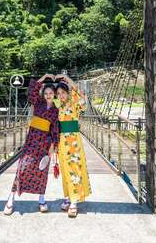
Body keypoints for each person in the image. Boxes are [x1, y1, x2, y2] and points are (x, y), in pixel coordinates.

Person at [4, 74, 59, 215]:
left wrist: (53, 146)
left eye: (51, 93)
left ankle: (41, 199)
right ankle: (11, 197)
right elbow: (33, 88)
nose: (48, 95)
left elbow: (55, 129)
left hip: (44, 143)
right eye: (46, 93)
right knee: (22, 167)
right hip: (32, 140)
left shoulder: (55, 110)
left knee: (42, 171)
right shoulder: (38, 103)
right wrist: (45, 77)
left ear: (54, 95)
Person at [55, 74, 91, 218]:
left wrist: (66, 78)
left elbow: (80, 96)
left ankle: (75, 201)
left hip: (73, 141)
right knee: (65, 169)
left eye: (63, 93)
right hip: (61, 141)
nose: (61, 96)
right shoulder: (58, 107)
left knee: (75, 168)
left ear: (68, 93)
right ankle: (68, 196)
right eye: (58, 94)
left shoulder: (74, 103)